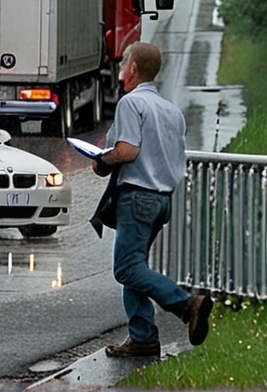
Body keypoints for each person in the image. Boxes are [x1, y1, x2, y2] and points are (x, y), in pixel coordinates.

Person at [91, 42, 214, 357]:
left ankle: (187, 304)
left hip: (137, 196)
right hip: (162, 199)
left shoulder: (131, 103)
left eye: (122, 67)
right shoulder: (171, 111)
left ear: (131, 69)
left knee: (127, 268)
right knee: (136, 265)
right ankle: (143, 337)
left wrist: (102, 159)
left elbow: (127, 151)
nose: (120, 74)